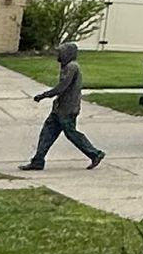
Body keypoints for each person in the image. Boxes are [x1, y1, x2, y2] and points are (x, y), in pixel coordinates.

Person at [20, 40, 106, 171]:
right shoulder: (67, 67)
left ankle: (95, 153)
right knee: (47, 133)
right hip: (60, 108)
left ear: (68, 54)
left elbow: (62, 87)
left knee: (71, 133)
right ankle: (38, 160)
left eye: (60, 53)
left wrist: (44, 95)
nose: (58, 56)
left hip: (68, 109)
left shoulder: (72, 67)